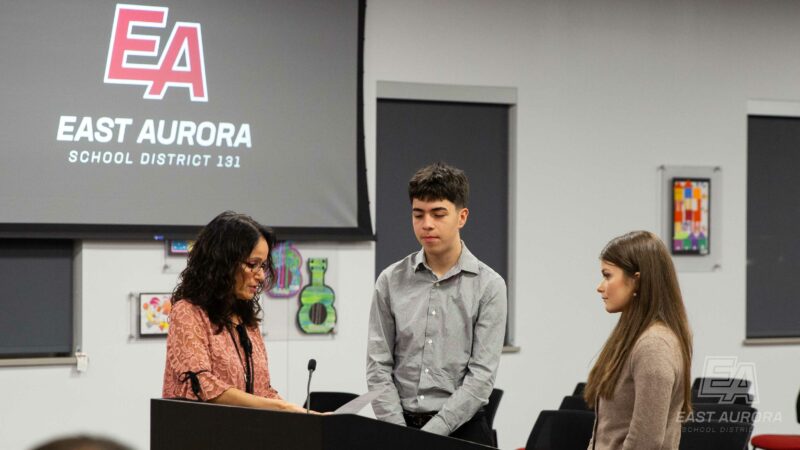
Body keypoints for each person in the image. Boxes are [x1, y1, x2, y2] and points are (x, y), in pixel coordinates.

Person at [366, 162, 507, 446]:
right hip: (399, 428)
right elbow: (378, 365)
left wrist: (431, 435)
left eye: (438, 214)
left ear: (462, 217)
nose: (427, 224)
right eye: (418, 214)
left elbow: (481, 378)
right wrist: (399, 433)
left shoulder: (489, 285)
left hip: (463, 432)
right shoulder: (390, 280)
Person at [162, 211, 307, 413]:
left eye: (263, 266)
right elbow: (200, 385)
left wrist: (307, 417)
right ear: (223, 264)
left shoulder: (247, 321)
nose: (261, 276)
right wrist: (282, 407)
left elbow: (262, 391)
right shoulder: (188, 312)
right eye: (252, 265)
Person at [585, 231, 693, 450]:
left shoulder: (654, 345)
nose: (600, 287)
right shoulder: (633, 337)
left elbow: (645, 441)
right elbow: (605, 433)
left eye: (607, 276)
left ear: (636, 280)